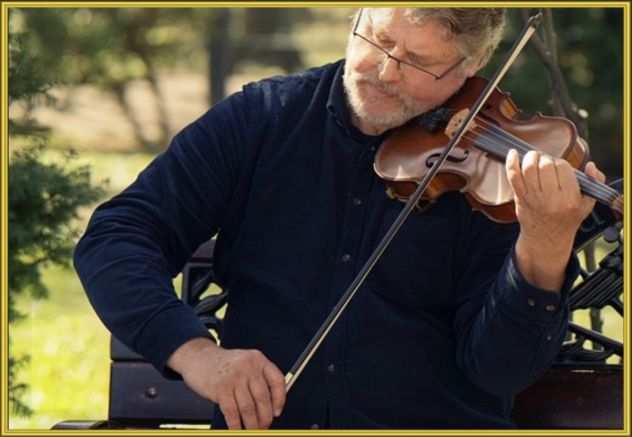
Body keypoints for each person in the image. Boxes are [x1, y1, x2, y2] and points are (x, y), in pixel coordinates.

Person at [74, 7, 606, 429]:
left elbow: (499, 369)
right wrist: (196, 356)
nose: (383, 70)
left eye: (417, 62)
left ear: (466, 71)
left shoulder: (496, 177)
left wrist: (544, 245)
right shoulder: (262, 120)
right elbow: (117, 236)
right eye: (377, 38)